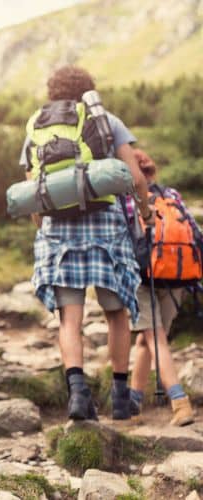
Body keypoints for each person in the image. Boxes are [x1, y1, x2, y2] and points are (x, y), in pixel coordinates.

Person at [19, 65, 152, 421]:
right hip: (105, 228)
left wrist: (42, 226)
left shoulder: (36, 124)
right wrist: (145, 211)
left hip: (58, 230)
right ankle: (121, 398)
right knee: (116, 312)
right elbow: (135, 176)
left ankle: (78, 396)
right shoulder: (104, 118)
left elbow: (33, 186)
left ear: (53, 91)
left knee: (70, 319)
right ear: (87, 89)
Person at [127, 148, 197, 426]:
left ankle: (180, 403)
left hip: (143, 274)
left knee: (155, 339)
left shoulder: (128, 199)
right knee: (149, 340)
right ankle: (133, 404)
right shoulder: (173, 196)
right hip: (176, 273)